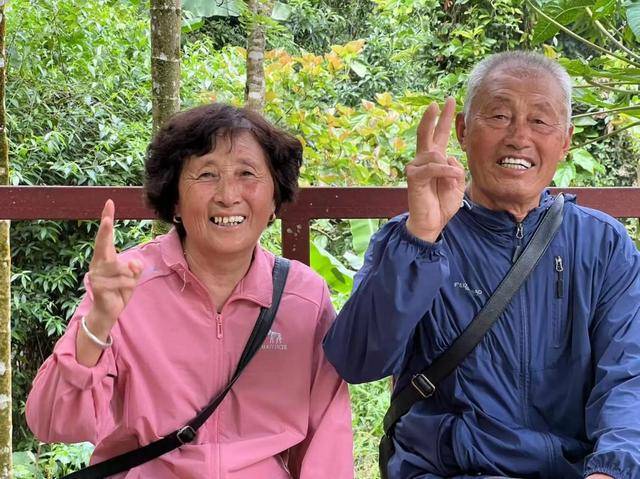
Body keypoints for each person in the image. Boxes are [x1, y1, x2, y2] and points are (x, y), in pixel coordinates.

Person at [323, 51, 640, 479]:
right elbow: (357, 361)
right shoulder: (411, 239)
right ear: (463, 130)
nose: (518, 137)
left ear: (565, 141)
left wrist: (612, 470)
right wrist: (420, 237)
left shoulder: (603, 244)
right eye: (499, 116)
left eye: (539, 120)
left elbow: (628, 376)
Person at [26, 103, 354, 478]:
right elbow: (52, 423)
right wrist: (97, 325)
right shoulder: (128, 283)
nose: (228, 195)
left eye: (247, 173)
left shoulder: (303, 296)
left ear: (274, 200)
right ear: (176, 201)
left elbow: (327, 441)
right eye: (207, 175)